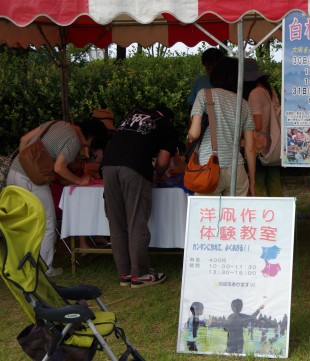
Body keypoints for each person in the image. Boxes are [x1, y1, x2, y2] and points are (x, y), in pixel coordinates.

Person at [7, 119, 108, 277]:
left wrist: (26, 164)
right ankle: (45, 269)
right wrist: (80, 180)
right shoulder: (74, 140)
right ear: (91, 137)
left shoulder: (54, 123)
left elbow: (24, 140)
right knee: (47, 223)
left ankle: (19, 265)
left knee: (22, 225)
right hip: (32, 181)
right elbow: (59, 167)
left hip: (14, 173)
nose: (86, 147)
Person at [101, 106, 177, 288]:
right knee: (136, 221)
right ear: (169, 119)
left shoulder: (130, 116)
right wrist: (159, 174)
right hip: (134, 168)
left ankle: (125, 273)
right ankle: (140, 274)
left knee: (116, 221)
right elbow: (163, 161)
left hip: (108, 166)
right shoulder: (167, 126)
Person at [187, 57, 256, 196]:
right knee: (235, 216)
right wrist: (252, 182)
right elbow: (250, 148)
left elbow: (194, 133)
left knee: (208, 216)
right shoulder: (244, 104)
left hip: (208, 168)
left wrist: (189, 137)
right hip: (237, 170)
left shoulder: (204, 95)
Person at [243, 58, 282, 197]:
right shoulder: (269, 90)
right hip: (273, 141)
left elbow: (257, 124)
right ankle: (278, 213)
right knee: (274, 181)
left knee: (257, 182)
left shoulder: (254, 94)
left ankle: (257, 214)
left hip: (259, 144)